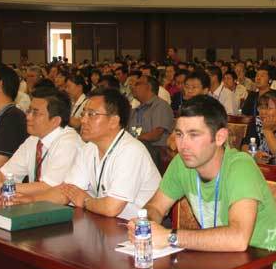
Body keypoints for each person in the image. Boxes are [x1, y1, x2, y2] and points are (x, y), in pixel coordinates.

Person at [128, 95, 276, 269]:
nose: (183, 145)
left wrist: (170, 236)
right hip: (216, 262)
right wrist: (145, 226)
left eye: (194, 135)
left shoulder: (240, 167)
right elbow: (156, 207)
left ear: (220, 137)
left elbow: (238, 239)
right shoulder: (182, 163)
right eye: (179, 134)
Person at [10, 88, 162, 219]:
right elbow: (66, 191)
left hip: (139, 232)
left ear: (114, 121)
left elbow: (111, 208)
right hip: (105, 224)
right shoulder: (89, 148)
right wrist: (30, 200)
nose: (83, 120)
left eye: (92, 114)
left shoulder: (131, 151)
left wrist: (85, 201)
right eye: (83, 114)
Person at [0, 87, 83, 196]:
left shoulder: (69, 143)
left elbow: (48, 188)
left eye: (35, 113)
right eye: (29, 111)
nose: (28, 117)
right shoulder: (34, 139)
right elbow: (4, 175)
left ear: (55, 121)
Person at [128, 75, 174, 148]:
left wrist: (132, 138)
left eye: (137, 84)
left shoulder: (160, 105)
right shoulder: (135, 110)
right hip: (137, 148)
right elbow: (132, 131)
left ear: (148, 86)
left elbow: (156, 135)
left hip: (155, 151)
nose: (133, 87)